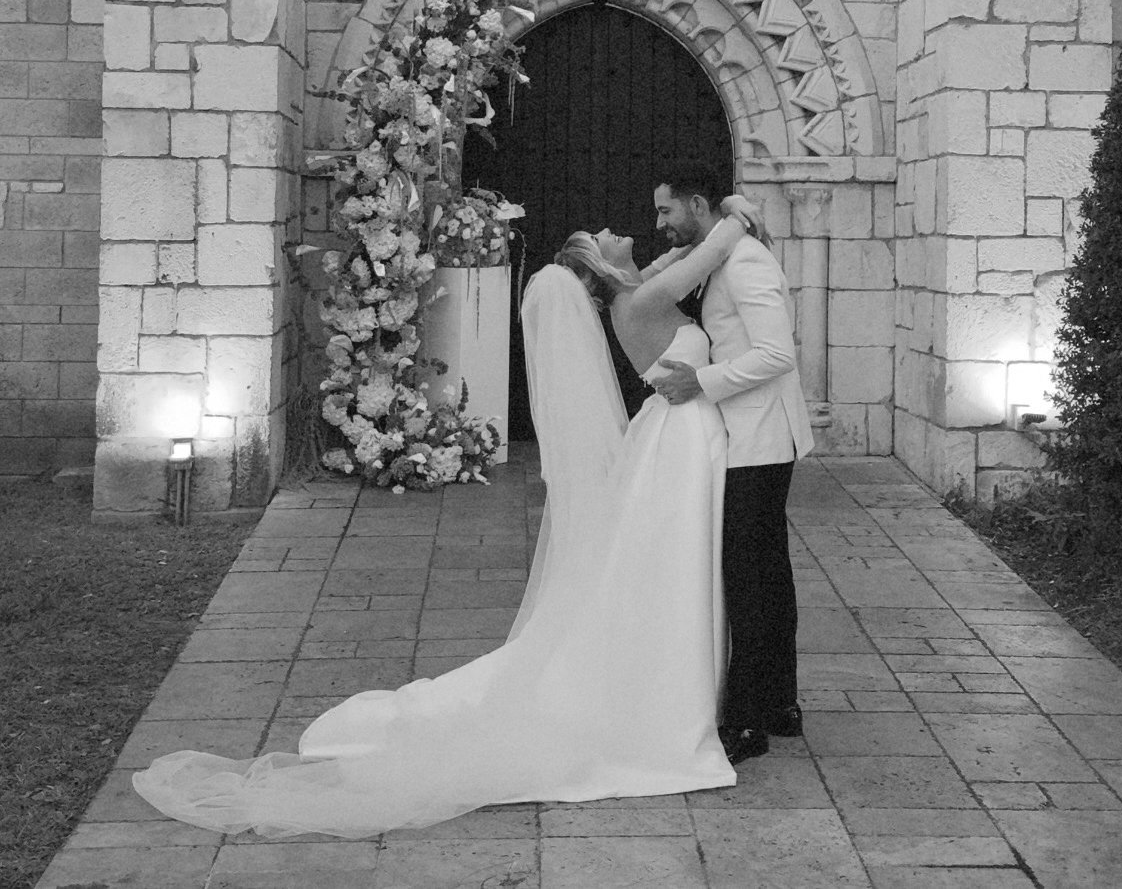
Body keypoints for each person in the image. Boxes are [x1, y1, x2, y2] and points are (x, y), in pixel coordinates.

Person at [129, 200, 760, 839]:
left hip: (680, 436)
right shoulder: (642, 300)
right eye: (604, 234)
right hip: (680, 439)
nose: (617, 228)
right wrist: (738, 217)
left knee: (668, 565)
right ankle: (665, 698)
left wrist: (701, 235)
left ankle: (676, 681)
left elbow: (679, 258)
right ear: (603, 265)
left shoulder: (637, 290)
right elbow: (699, 257)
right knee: (675, 563)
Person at [648, 161, 815, 765]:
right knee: (768, 572)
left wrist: (702, 381)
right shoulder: (721, 250)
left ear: (697, 205)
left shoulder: (744, 262)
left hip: (761, 438)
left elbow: (777, 354)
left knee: (750, 580)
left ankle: (747, 723)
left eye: (666, 209)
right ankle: (779, 703)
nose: (659, 222)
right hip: (749, 437)